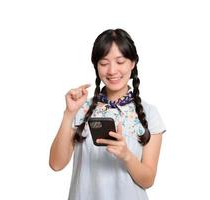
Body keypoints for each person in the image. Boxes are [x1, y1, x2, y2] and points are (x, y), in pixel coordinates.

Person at [49, 28, 166, 200]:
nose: (112, 71)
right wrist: (69, 113)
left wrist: (126, 155)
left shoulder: (149, 114)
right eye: (104, 63)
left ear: (132, 63)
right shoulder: (81, 108)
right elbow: (56, 164)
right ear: (96, 66)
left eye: (120, 62)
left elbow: (148, 180)